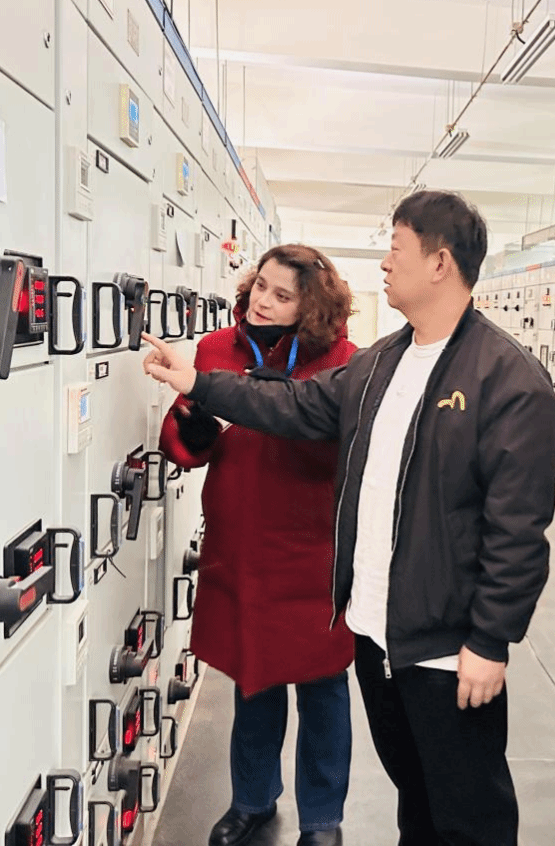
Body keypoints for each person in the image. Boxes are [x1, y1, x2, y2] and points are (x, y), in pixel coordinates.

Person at [142, 190, 555, 846]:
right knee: (415, 795)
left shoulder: (507, 379)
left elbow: (518, 531)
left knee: (468, 811)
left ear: (439, 263)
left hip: (447, 644)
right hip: (376, 630)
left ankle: (331, 819)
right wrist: (197, 382)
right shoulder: (381, 362)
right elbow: (292, 406)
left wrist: (489, 639)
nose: (385, 264)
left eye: (396, 249)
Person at [157, 244, 357, 846]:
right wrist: (192, 430)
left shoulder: (343, 363)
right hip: (240, 547)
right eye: (260, 286)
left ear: (311, 307)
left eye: (282, 295)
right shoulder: (217, 350)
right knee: (254, 682)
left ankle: (322, 820)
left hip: (312, 552)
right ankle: (252, 801)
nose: (263, 302)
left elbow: (344, 450)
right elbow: (182, 443)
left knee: (324, 691)